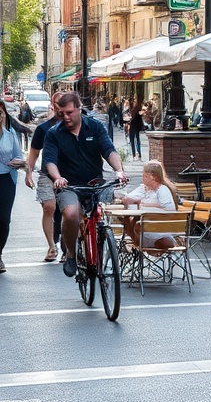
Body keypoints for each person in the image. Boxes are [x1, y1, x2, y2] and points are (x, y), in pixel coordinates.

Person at [42, 91, 127, 278]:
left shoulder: (95, 127)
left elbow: (109, 150)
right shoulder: (54, 134)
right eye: (61, 113)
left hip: (95, 183)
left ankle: (100, 243)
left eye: (69, 112)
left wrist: (119, 171)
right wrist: (57, 178)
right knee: (71, 214)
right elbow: (50, 161)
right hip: (69, 185)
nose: (65, 117)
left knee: (102, 212)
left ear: (79, 109)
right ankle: (71, 254)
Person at [24, 91, 64, 262]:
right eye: (57, 104)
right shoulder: (44, 128)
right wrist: (29, 172)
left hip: (71, 175)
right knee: (49, 207)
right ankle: (52, 246)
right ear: (53, 106)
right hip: (47, 175)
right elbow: (34, 152)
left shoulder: (74, 125)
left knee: (69, 211)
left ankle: (68, 248)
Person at [119, 160, 180, 250]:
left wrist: (143, 203)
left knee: (137, 223)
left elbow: (168, 208)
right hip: (146, 227)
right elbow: (128, 198)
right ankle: (138, 242)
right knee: (126, 218)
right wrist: (128, 199)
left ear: (154, 177)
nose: (143, 178)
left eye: (145, 176)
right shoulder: (144, 188)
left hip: (160, 228)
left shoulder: (162, 190)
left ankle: (140, 243)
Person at [0, 100, 28, 273]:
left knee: (3, 219)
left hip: (7, 180)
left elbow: (21, 159)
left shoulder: (11, 135)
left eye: (1, 113)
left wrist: (21, 163)